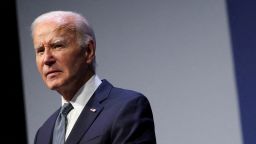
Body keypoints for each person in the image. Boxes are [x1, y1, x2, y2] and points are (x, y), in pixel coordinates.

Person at [31, 10, 156, 144]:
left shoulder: (126, 108)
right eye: (40, 50)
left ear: (88, 51)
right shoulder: (43, 133)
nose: (46, 59)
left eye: (57, 46)